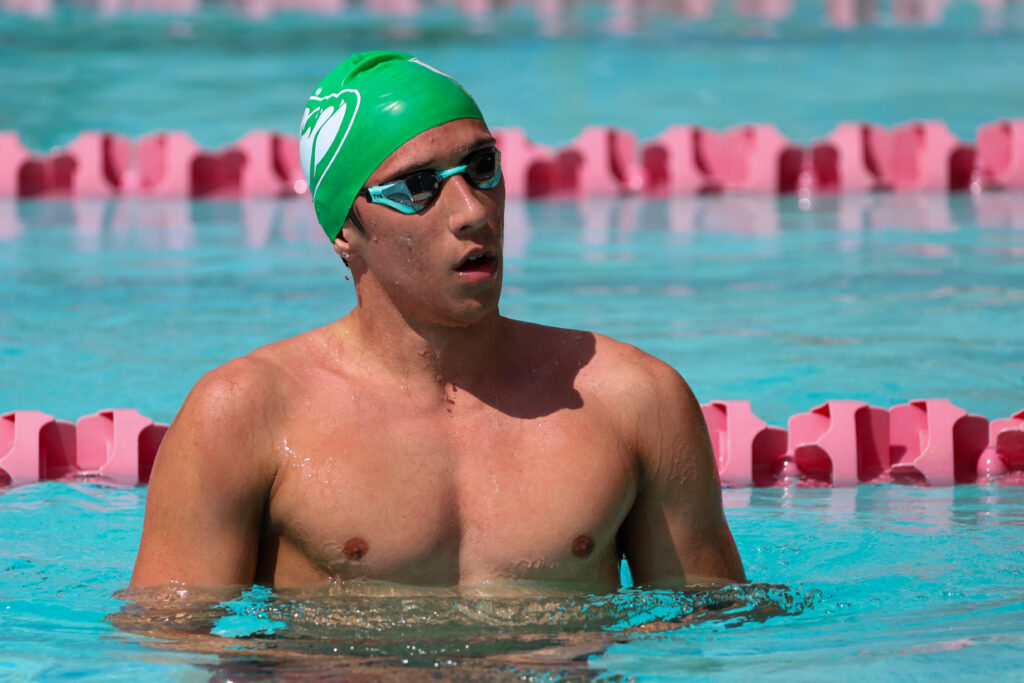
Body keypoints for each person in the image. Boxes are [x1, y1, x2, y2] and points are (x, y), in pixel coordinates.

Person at [130, 51, 745, 591]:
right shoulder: (244, 417)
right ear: (346, 228)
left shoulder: (636, 403)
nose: (472, 211)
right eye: (418, 186)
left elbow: (704, 633)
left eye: (482, 166)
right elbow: (168, 649)